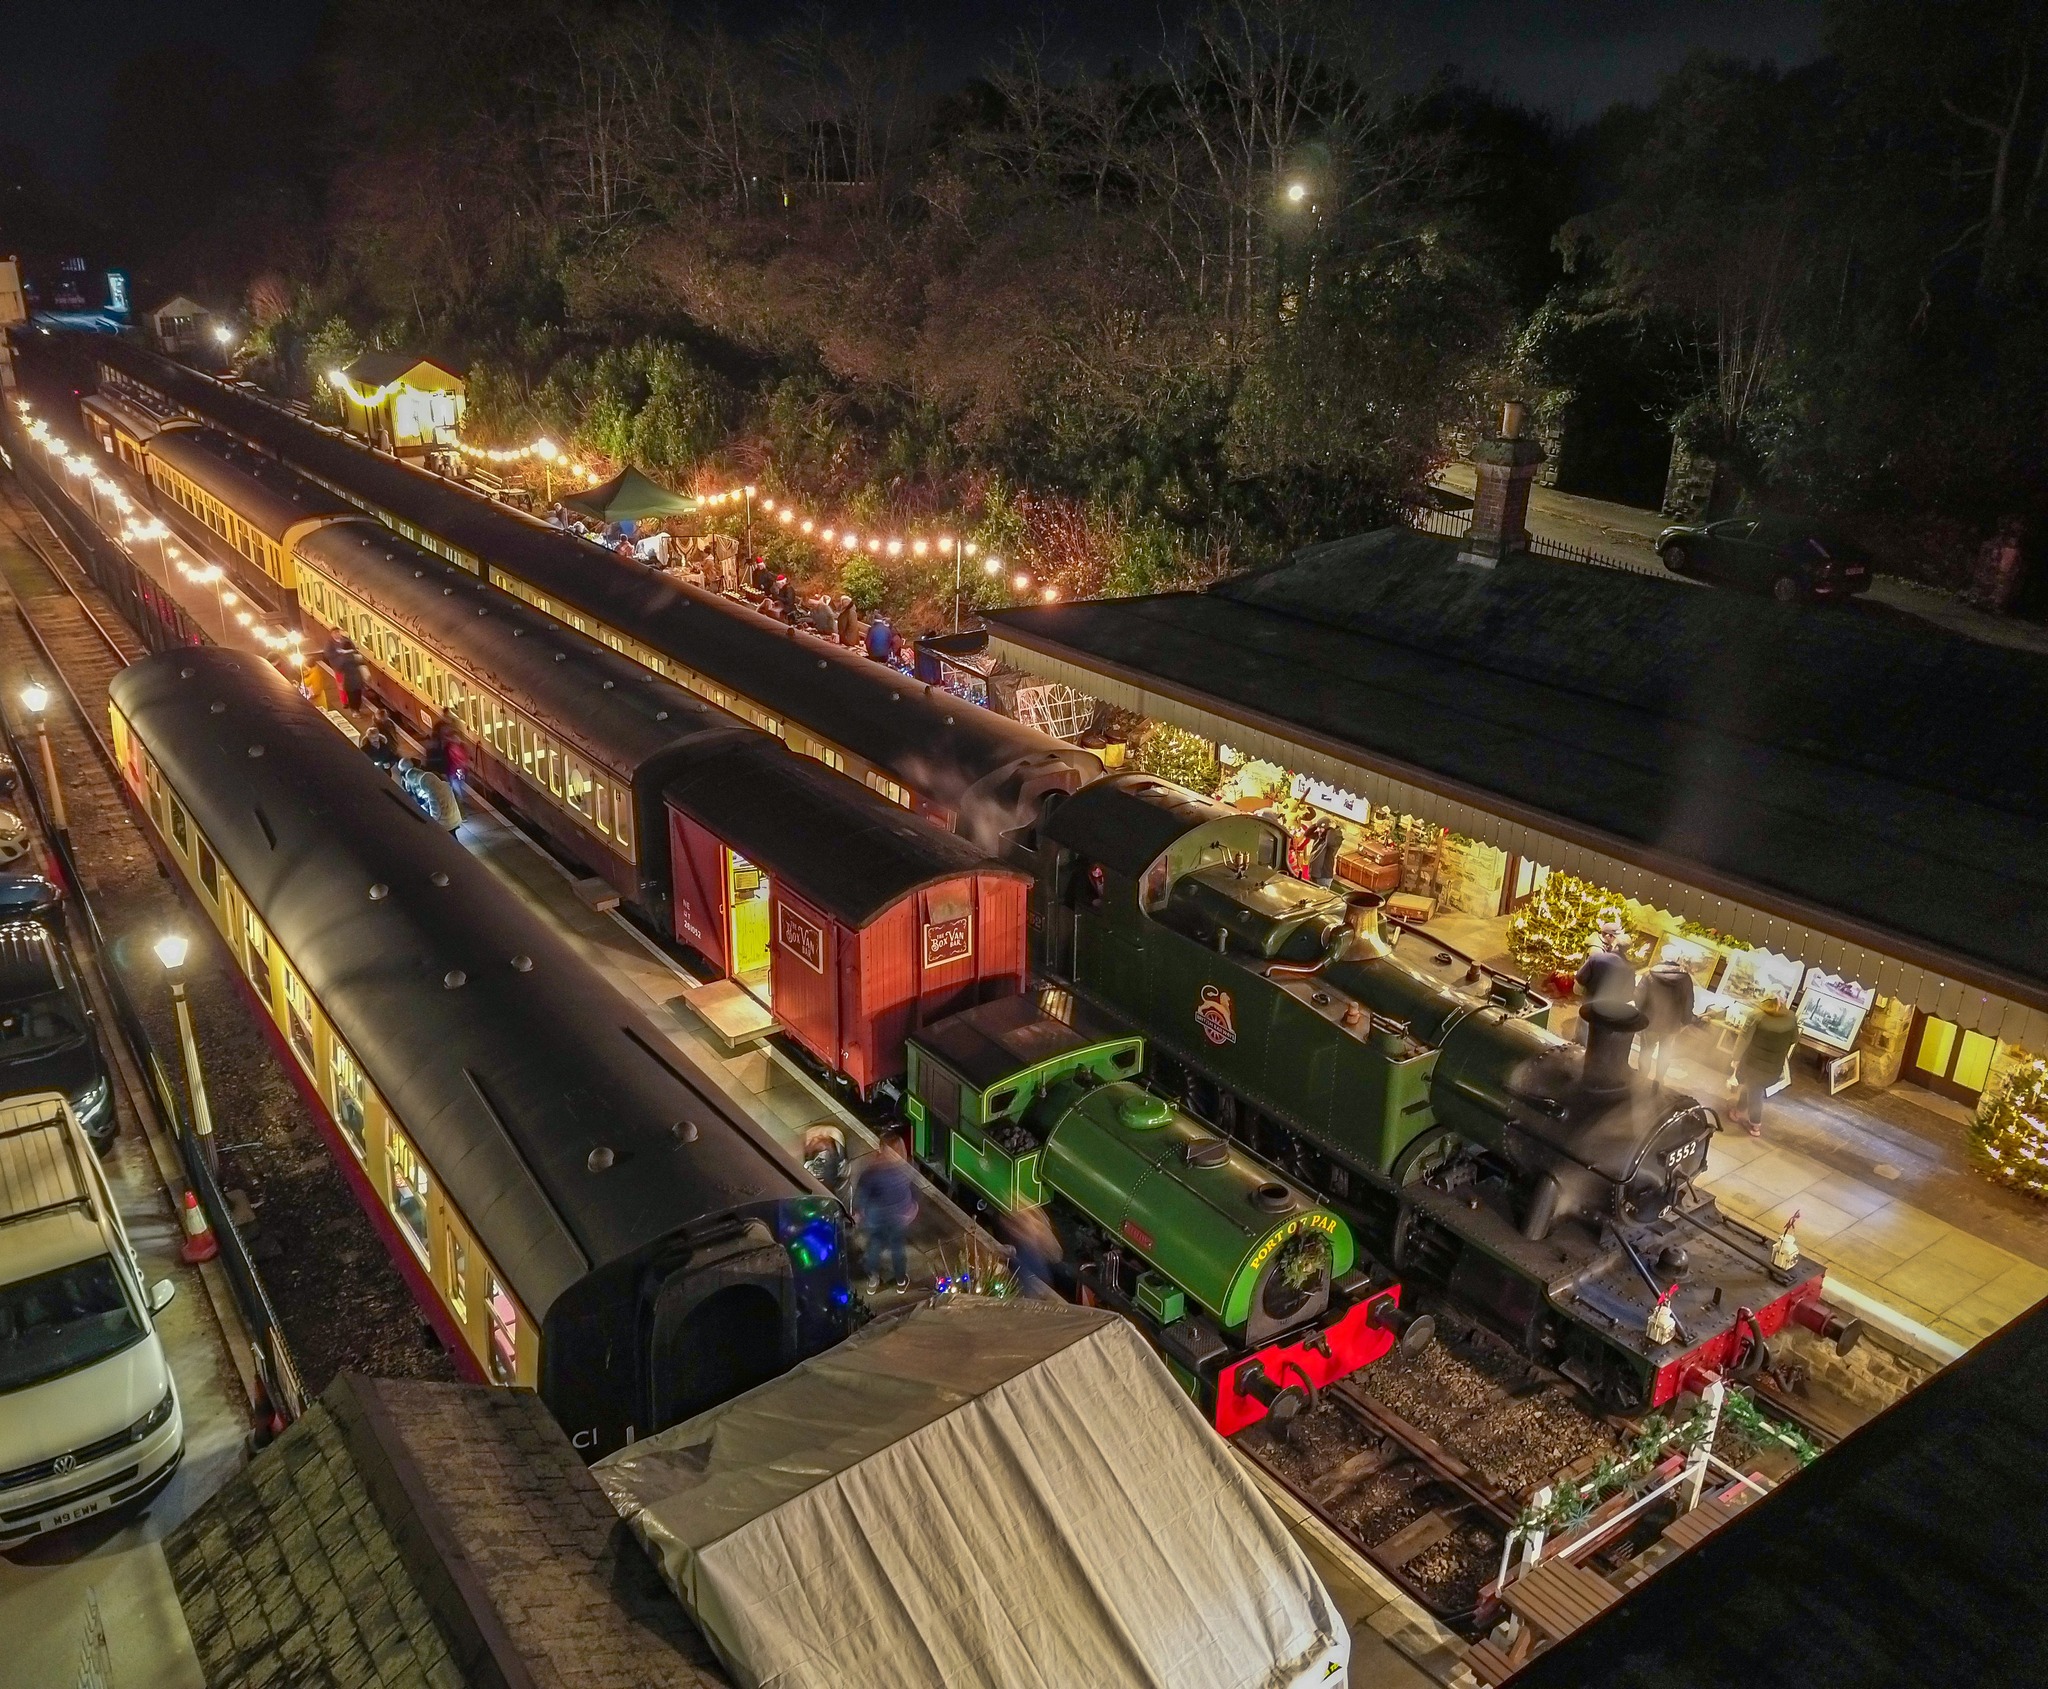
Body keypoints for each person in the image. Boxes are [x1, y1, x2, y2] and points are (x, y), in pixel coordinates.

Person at [851, 1133, 919, 1290]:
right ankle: (901, 1280)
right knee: (897, 1249)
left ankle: (873, 1280)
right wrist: (912, 1205)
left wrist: (860, 1211)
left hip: (876, 1217)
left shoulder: (873, 1171)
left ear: (881, 1148)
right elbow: (913, 1190)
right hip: (899, 1216)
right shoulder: (907, 1168)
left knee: (874, 1247)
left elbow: (863, 1194)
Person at [1729, 995, 1799, 1136]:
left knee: (1755, 1092)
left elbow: (1744, 1038)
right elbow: (1794, 1039)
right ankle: (1738, 1111)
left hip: (1753, 1063)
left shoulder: (1757, 1015)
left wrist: (1735, 1057)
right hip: (1774, 1065)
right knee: (1752, 1087)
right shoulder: (1791, 1017)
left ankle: (1755, 1124)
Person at [1636, 961, 1696, 1083]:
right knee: (1665, 1053)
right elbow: (1689, 1002)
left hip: (1650, 1021)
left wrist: (1641, 1012)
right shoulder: (1685, 979)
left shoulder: (1649, 974)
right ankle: (1658, 1081)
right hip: (1672, 1024)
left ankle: (1641, 1079)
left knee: (1646, 1051)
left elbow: (1638, 996)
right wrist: (1685, 1021)